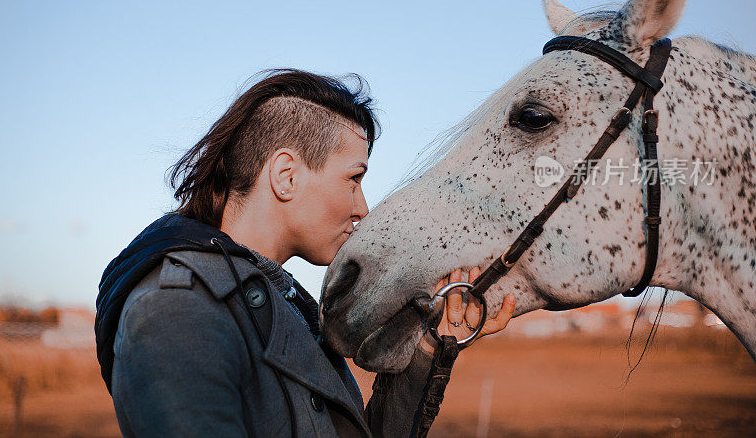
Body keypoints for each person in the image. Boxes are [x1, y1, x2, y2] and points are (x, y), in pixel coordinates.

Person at [94, 69, 515, 437]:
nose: (362, 208)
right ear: (286, 176)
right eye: (354, 179)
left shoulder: (281, 300)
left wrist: (428, 347)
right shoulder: (175, 312)